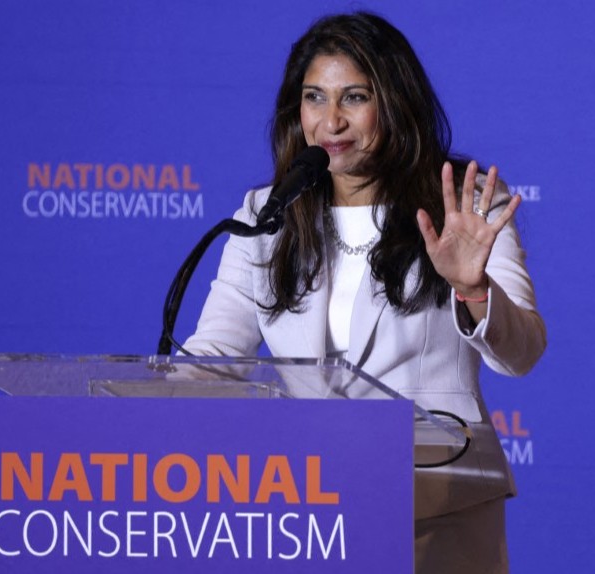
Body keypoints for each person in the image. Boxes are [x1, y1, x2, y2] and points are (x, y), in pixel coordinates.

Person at [183, 11, 545, 573]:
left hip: (439, 502)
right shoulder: (266, 215)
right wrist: (141, 404)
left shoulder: (466, 205)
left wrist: (472, 287)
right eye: (314, 98)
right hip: (308, 505)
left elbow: (522, 353)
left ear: (393, 103)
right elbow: (214, 357)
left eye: (353, 98)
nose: (331, 121)